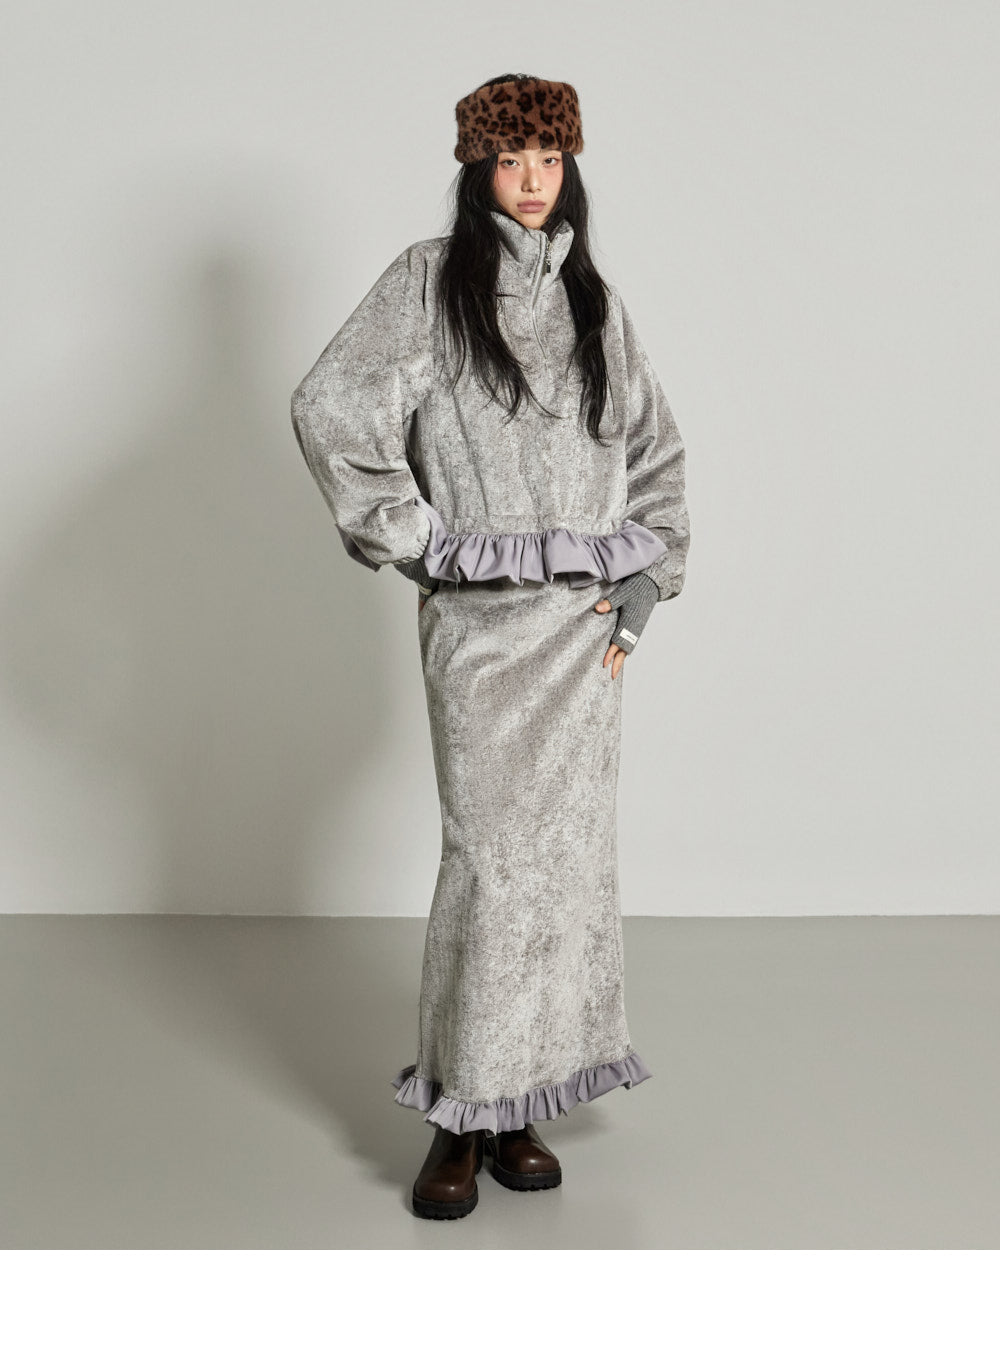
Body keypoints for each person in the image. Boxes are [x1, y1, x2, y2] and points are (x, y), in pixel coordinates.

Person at [290, 72, 691, 1221]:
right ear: (477, 168)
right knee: (490, 862)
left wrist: (647, 577)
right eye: (511, 159)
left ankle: (520, 1108)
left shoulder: (594, 303)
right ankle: (457, 1115)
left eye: (549, 159)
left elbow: (657, 450)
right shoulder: (428, 283)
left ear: (570, 168)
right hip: (481, 628)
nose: (531, 180)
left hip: (582, 637)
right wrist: (419, 540)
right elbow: (331, 408)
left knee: (565, 869)